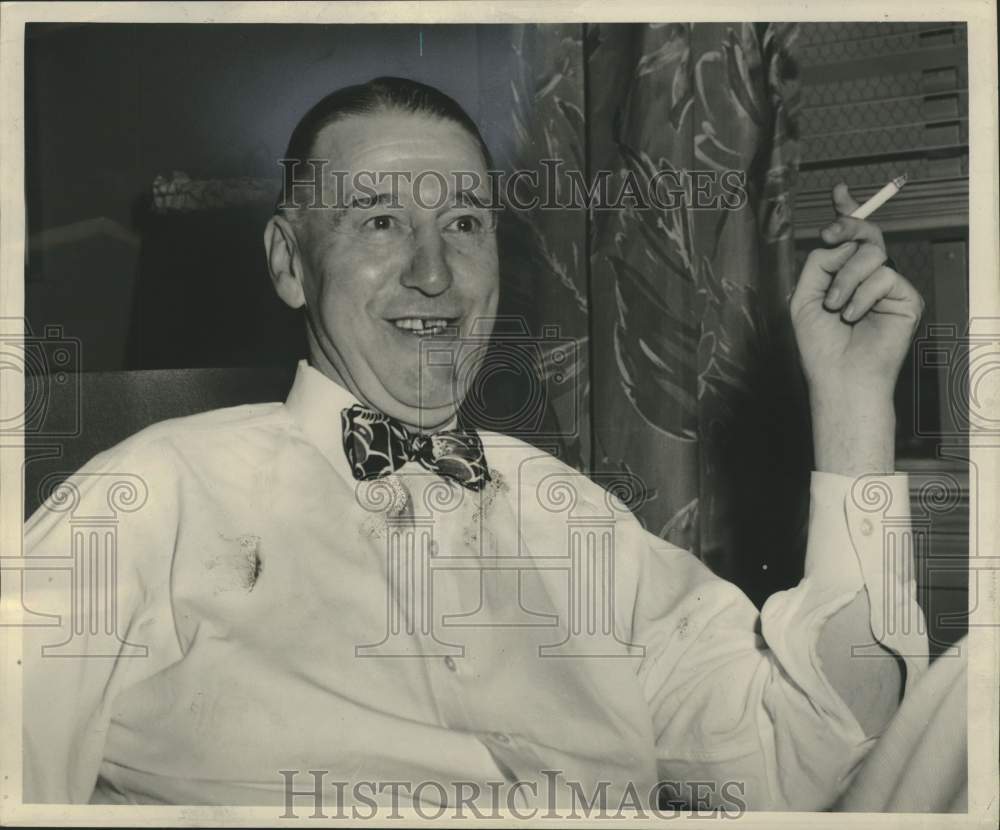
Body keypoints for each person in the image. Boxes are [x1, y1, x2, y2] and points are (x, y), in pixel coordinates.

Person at [23, 76, 929, 812]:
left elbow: (801, 761)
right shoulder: (148, 498)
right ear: (290, 264)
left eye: (463, 224)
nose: (433, 273)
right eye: (380, 222)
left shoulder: (577, 519)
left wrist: (854, 409)